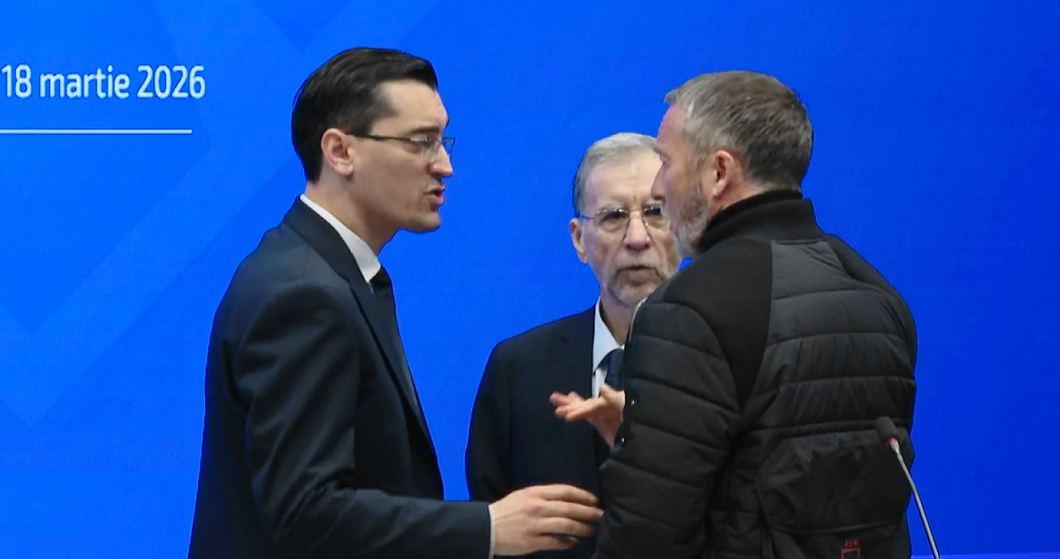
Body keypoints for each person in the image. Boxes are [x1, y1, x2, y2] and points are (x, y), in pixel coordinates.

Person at [188, 47, 601, 559]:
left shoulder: (325, 272)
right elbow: (306, 515)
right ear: (340, 151)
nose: (445, 166)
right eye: (420, 142)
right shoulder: (304, 294)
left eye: (443, 140)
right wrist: (488, 527)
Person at [553, 71, 918, 558]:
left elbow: (647, 537)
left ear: (719, 173)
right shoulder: (879, 295)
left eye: (666, 162)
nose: (660, 186)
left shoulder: (687, 310)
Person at [465, 133, 680, 559]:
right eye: (614, 217)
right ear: (579, 239)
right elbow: (490, 525)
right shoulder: (518, 369)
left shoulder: (730, 364)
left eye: (656, 213)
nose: (637, 237)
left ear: (685, 226)